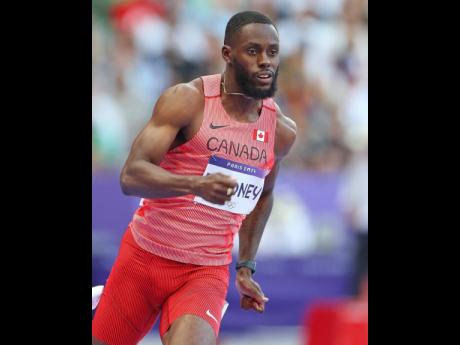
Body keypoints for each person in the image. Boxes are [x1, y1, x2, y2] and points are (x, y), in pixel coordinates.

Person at [92, 10, 297, 345]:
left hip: (205, 271)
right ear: (227, 55)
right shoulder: (187, 101)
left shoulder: (280, 131)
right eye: (253, 51)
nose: (265, 61)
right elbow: (131, 175)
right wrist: (194, 184)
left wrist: (245, 265)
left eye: (272, 52)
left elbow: (264, 195)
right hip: (145, 257)